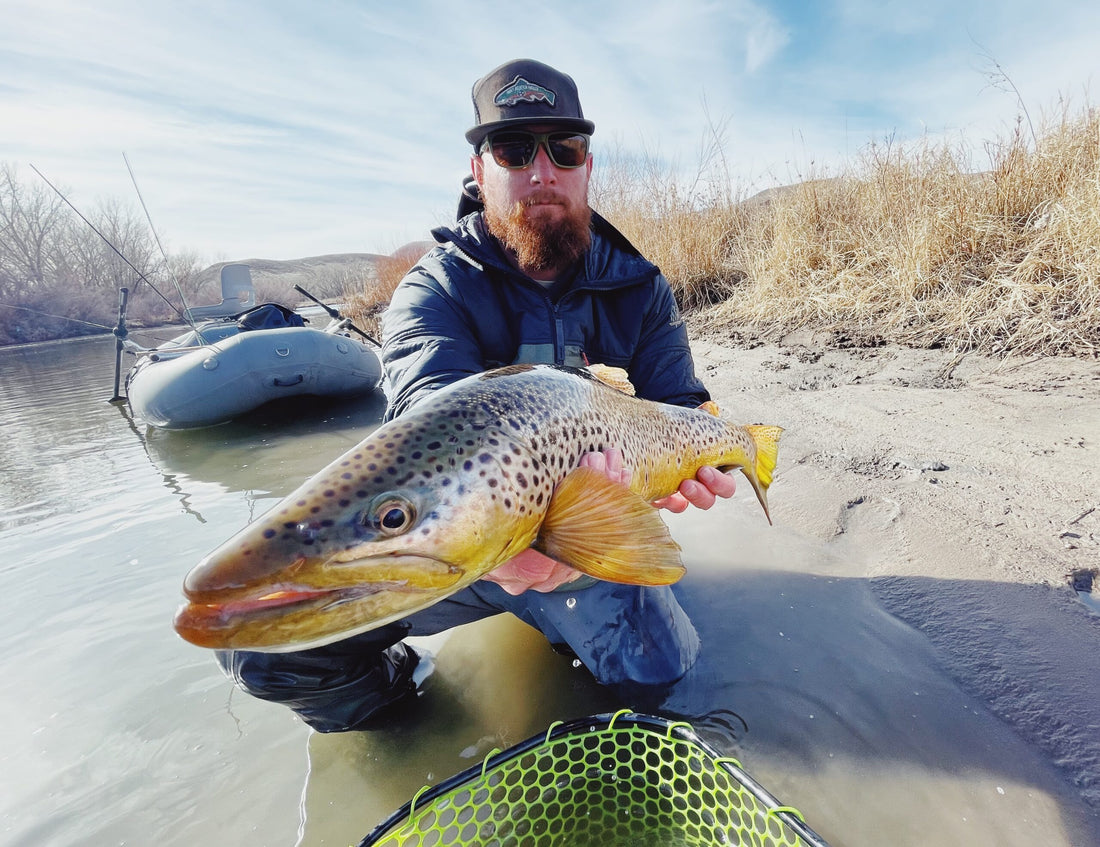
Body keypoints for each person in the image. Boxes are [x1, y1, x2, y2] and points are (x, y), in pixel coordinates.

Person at [217, 59, 737, 732]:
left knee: (662, 681)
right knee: (259, 643)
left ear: (587, 166)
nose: (542, 171)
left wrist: (715, 460)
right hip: (455, 545)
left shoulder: (639, 286)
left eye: (564, 149)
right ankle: (412, 724)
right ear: (477, 169)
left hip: (590, 540)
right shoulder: (431, 290)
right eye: (514, 149)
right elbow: (430, 412)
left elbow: (682, 408)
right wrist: (501, 553)